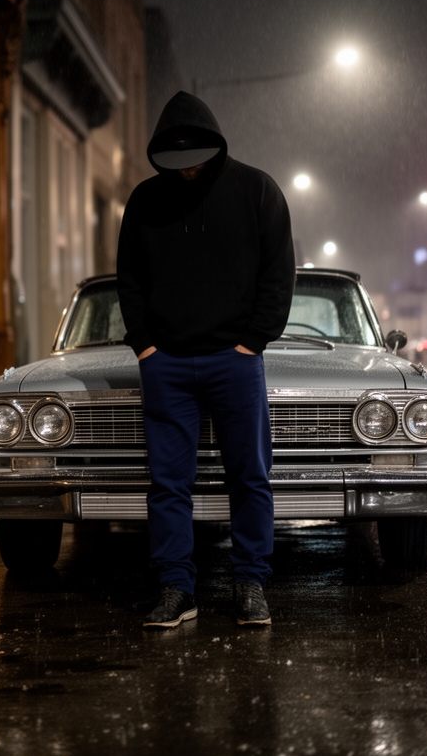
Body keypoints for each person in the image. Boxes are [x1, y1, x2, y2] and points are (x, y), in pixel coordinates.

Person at [117, 90, 295, 628]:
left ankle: (250, 585)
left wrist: (254, 341)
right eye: (177, 160)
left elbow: (278, 270)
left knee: (250, 476)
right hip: (166, 361)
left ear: (216, 147)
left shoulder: (257, 190)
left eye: (196, 158)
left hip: (234, 360)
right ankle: (176, 590)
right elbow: (129, 276)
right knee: (168, 483)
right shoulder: (146, 200)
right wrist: (145, 344)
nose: (187, 170)